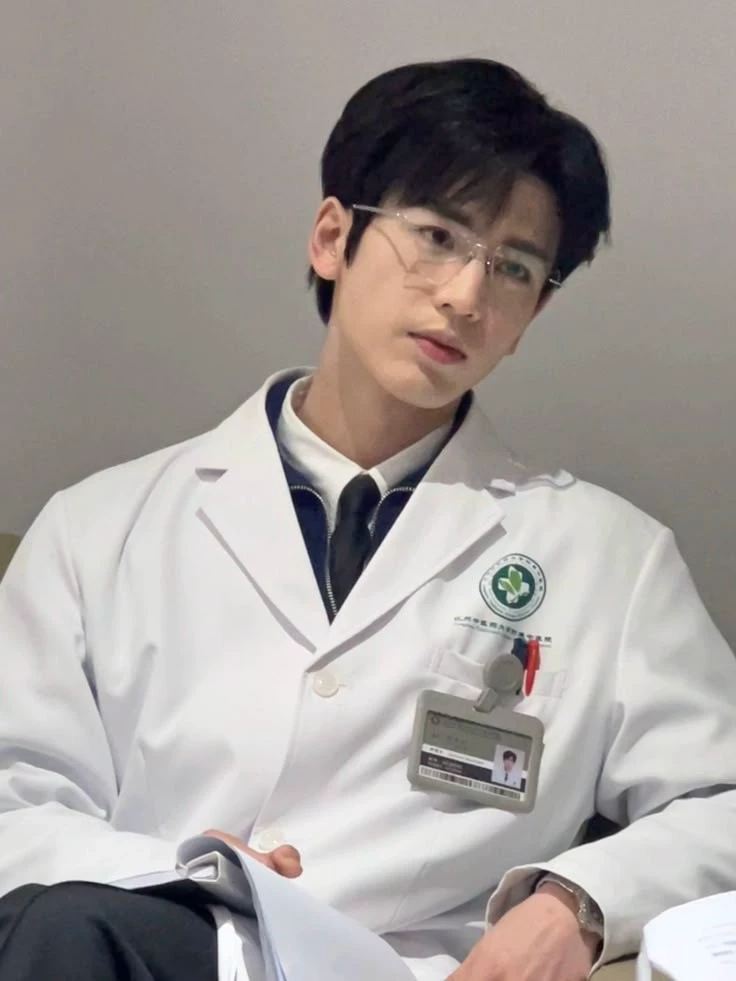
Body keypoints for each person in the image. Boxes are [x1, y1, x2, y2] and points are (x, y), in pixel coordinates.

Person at [0, 56, 734, 981]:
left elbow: (724, 801)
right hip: (145, 951)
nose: (465, 296)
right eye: (436, 236)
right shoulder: (96, 531)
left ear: (533, 312)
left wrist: (577, 902)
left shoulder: (610, 561)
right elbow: (13, 803)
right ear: (332, 238)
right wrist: (181, 874)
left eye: (513, 268)